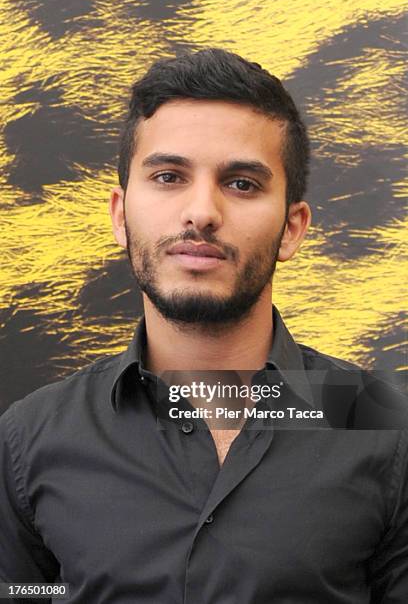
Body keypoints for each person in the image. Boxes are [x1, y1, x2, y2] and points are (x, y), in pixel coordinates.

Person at [0, 48, 407, 603]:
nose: (201, 211)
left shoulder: (384, 425)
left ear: (292, 229)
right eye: (168, 176)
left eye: (241, 183)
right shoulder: (29, 438)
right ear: (121, 215)